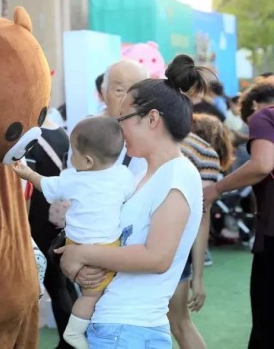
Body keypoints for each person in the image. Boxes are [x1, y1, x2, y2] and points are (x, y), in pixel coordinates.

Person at [55, 54, 208, 348]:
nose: (117, 128)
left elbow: (157, 257)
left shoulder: (177, 174)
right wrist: (78, 252)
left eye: (122, 119)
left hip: (126, 329)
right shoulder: (147, 176)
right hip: (119, 326)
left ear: (152, 119)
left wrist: (83, 254)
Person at [15, 115, 136, 349]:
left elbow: (46, 186)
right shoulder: (124, 175)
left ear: (88, 161)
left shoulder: (74, 179)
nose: (69, 157)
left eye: (72, 152)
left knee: (88, 296)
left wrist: (27, 173)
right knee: (102, 295)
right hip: (110, 247)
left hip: (77, 244)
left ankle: (74, 333)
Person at [203, 80, 274, 349]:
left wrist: (217, 189)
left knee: (266, 323)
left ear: (253, 104)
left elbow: (263, 163)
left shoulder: (263, 115)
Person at [170, 113, 232, 349]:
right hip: (177, 248)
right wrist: (198, 277)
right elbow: (201, 218)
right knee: (180, 323)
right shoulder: (206, 154)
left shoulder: (170, 140)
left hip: (141, 245)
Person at [23, 110, 74, 348]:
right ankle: (73, 339)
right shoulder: (58, 130)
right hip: (59, 217)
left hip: (40, 219)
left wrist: (21, 226)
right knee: (63, 281)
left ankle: (69, 342)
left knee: (56, 284)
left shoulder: (33, 137)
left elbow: (27, 189)